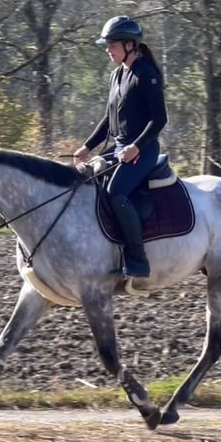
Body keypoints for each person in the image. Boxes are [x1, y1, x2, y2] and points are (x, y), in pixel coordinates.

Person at [73, 15, 168, 278]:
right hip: (119, 148)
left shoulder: (145, 74)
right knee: (88, 183)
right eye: (107, 45)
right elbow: (108, 119)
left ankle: (137, 259)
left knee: (115, 193)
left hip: (143, 150)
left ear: (129, 45)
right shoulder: (117, 74)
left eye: (112, 45)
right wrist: (86, 147)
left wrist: (136, 147)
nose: (107, 49)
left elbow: (159, 119)